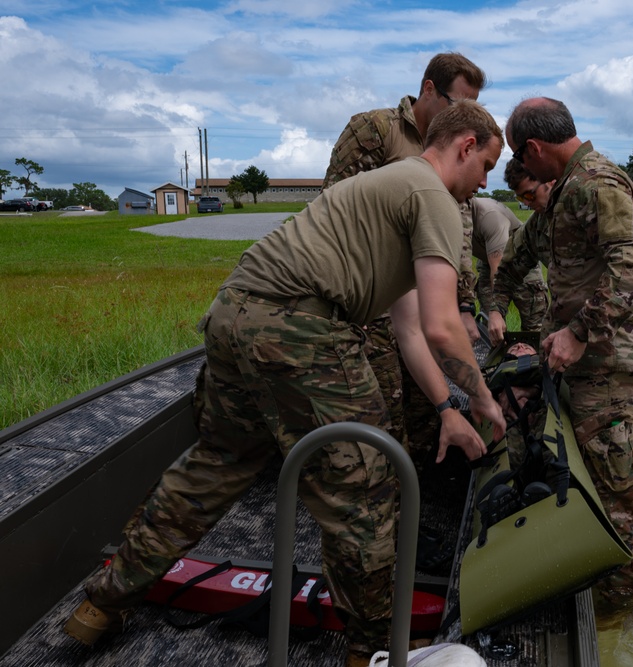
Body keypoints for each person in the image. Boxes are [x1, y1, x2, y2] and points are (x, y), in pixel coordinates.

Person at [63, 100, 508, 667]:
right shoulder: (433, 195)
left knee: (218, 462)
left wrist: (447, 405)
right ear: (465, 145)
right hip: (302, 326)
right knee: (367, 486)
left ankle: (100, 605)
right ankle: (375, 645)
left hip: (233, 313)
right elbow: (446, 328)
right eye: (487, 166)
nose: (485, 182)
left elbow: (409, 327)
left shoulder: (385, 189)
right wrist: (485, 402)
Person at [490, 97, 633, 606]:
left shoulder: (596, 184)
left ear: (534, 147)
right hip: (590, 362)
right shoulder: (558, 202)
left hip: (614, 359)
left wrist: (578, 332)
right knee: (590, 474)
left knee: (613, 496)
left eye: (523, 161)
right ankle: (602, 584)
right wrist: (498, 306)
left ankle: (628, 605)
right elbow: (514, 261)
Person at [322, 52, 487, 462]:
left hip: (427, 294)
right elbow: (337, 209)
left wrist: (464, 302)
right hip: (374, 300)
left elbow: (458, 232)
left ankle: (422, 500)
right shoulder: (376, 129)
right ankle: (392, 505)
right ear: (428, 89)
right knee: (385, 404)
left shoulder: (456, 154)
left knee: (429, 403)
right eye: (459, 105)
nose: (467, 118)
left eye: (474, 110)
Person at [502, 155, 633, 479]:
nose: (527, 204)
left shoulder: (593, 193)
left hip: (624, 342)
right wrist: (493, 311)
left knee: (627, 418)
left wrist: (577, 331)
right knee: (610, 420)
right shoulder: (542, 223)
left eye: (529, 195)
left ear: (549, 179)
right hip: (571, 347)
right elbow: (507, 268)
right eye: (520, 199)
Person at [466, 196, 548, 331]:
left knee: (534, 321)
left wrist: (496, 311)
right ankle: (497, 349)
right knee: (489, 324)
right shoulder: (442, 217)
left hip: (521, 260)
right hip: (487, 261)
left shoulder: (489, 216)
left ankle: (532, 350)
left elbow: (498, 270)